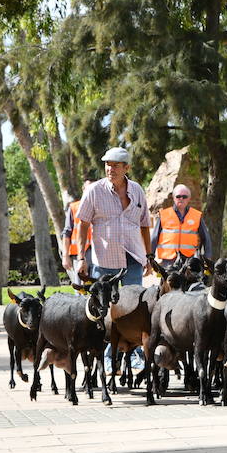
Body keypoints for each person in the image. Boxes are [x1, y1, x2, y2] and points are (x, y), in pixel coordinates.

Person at [75, 149, 151, 374]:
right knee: (106, 310)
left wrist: (148, 256)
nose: (110, 169)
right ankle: (108, 357)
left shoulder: (137, 190)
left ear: (126, 168)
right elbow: (82, 225)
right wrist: (81, 258)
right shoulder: (94, 191)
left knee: (135, 308)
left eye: (116, 165)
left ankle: (135, 355)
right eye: (107, 164)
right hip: (105, 259)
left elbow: (145, 224)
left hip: (133, 258)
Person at [151, 183, 212, 263]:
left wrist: (207, 257)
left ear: (189, 198)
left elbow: (206, 238)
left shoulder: (196, 216)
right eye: (178, 196)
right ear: (173, 198)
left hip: (189, 259)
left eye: (184, 197)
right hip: (168, 260)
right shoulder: (164, 215)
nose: (181, 199)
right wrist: (150, 256)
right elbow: (155, 237)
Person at [61, 179, 96, 282]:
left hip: (98, 253)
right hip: (79, 253)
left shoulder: (102, 207)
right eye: (88, 188)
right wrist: (65, 256)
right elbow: (67, 232)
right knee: (80, 283)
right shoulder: (74, 207)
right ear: (83, 189)